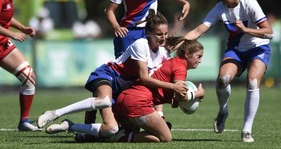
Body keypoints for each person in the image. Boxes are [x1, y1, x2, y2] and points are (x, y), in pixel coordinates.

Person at [37, 10, 187, 140]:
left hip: (124, 89)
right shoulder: (141, 44)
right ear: (148, 33)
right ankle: (54, 113)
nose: (163, 37)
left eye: (166, 34)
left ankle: (71, 127)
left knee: (112, 129)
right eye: (159, 34)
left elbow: (192, 36)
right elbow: (144, 78)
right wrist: (173, 87)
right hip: (110, 75)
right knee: (104, 101)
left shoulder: (163, 53)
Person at [42, 38, 205, 143]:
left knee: (112, 129)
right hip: (125, 90)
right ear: (188, 54)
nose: (200, 61)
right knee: (165, 137)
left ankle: (75, 128)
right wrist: (197, 94)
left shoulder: (166, 58)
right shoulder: (177, 64)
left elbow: (171, 92)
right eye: (198, 56)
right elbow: (181, 94)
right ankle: (58, 113)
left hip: (125, 96)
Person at [183, 0, 273, 143]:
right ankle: (223, 110)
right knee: (223, 80)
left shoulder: (249, 3)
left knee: (253, 81)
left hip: (259, 48)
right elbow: (200, 29)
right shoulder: (219, 8)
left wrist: (245, 29)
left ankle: (247, 130)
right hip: (236, 50)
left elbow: (268, 31)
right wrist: (181, 39)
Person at [0, 0, 39, 131]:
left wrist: (23, 28)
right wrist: (13, 33)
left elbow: (5, 16)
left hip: (2, 45)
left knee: (29, 78)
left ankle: (24, 122)